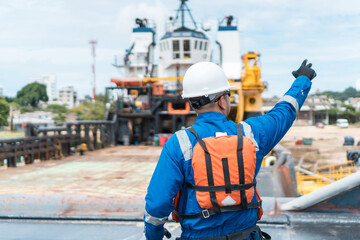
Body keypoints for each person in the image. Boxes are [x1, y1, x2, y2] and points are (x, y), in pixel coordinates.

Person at [144, 60, 316, 239]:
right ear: (222, 101)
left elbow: (157, 205)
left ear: (192, 103)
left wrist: (153, 235)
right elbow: (285, 112)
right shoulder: (251, 134)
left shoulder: (179, 144)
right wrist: (303, 79)